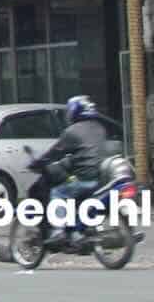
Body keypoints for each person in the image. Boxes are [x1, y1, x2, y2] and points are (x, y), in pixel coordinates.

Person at [32, 94, 111, 241]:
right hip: (99, 178)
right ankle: (75, 233)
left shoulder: (72, 131)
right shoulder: (100, 128)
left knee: (58, 193)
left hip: (83, 178)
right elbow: (85, 152)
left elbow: (55, 152)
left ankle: (58, 230)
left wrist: (38, 162)